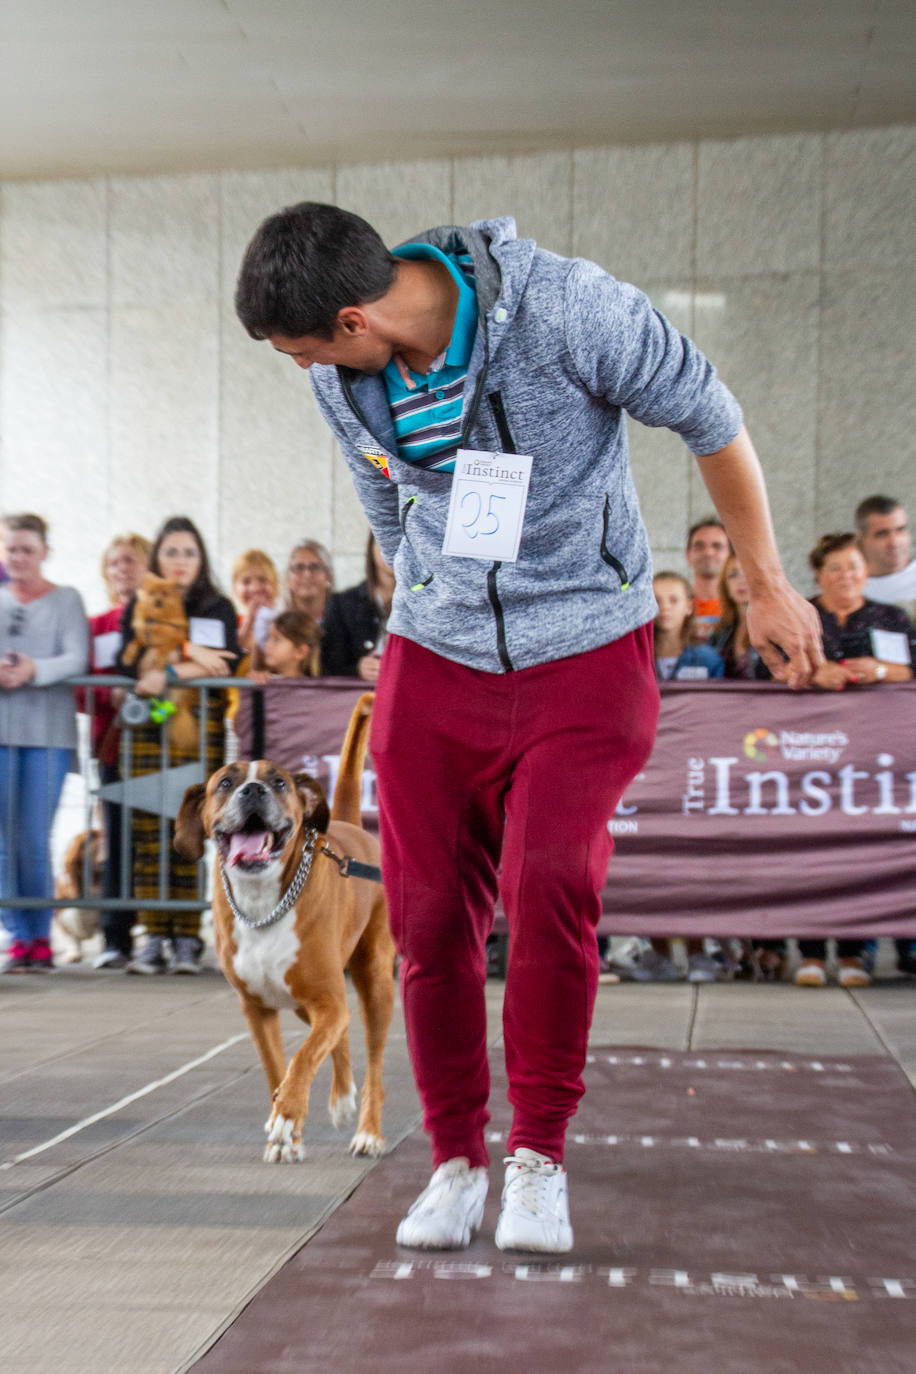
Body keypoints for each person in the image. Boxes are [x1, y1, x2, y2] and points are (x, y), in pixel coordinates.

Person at [235, 201, 822, 1254]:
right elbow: (387, 498)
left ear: (358, 315)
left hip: (586, 647)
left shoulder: (567, 309)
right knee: (421, 917)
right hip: (439, 657)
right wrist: (419, 596)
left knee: (549, 881)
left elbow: (711, 416)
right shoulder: (341, 379)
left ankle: (538, 1158)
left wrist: (765, 582)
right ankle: (456, 1160)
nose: (302, 370)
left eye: (303, 347)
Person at [788, 532, 913, 988]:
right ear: (818, 573)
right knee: (809, 854)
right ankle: (812, 954)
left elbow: (911, 667)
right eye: (835, 568)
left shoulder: (891, 617)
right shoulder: (802, 615)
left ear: (867, 570)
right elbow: (763, 666)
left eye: (855, 566)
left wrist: (880, 671)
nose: (847, 576)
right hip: (806, 755)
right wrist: (811, 672)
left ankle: (856, 954)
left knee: (859, 852)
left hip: (870, 760)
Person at [117, 517, 239, 975]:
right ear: (157, 559)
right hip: (150, 725)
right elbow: (126, 662)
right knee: (148, 828)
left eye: (189, 552)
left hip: (198, 727)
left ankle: (187, 936)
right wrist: (188, 658)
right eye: (171, 552)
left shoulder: (217, 606)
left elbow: (224, 662)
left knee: (191, 824)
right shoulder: (141, 602)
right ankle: (151, 935)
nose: (180, 561)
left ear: (201, 559)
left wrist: (168, 672)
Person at [0, 514, 89, 972]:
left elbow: (77, 655)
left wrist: (34, 669)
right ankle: (17, 934)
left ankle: (40, 934)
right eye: (11, 548)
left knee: (33, 838)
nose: (18, 558)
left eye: (26, 550)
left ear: (43, 552)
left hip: (46, 737)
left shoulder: (66, 600)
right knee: (2, 840)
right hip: (2, 733)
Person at [87, 533, 152, 969]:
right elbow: (82, 687)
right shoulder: (98, 625)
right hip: (111, 746)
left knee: (152, 841)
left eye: (130, 561)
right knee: (117, 839)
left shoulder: (158, 620)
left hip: (154, 746)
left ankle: (157, 930)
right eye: (114, 563)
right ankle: (115, 936)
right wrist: (103, 692)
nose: (121, 569)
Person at [322, 534, 395, 681]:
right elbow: (327, 665)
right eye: (384, 541)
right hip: (356, 699)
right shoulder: (342, 604)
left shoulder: (426, 601)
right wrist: (358, 670)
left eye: (400, 542)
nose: (392, 549)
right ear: (371, 550)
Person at [652, 571, 724, 681]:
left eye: (674, 600)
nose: (665, 607)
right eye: (656, 600)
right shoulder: (635, 659)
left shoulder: (709, 659)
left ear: (689, 606)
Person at [856, 494, 916, 623]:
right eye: (882, 534)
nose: (894, 543)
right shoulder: (850, 588)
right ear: (861, 540)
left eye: (900, 530)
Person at [685, 517, 731, 642]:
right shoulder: (674, 605)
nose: (708, 552)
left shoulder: (742, 608)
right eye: (699, 546)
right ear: (687, 554)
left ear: (730, 554)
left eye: (717, 546)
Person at [231, 548, 279, 660]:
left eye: (263, 580)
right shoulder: (232, 622)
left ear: (275, 583)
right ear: (234, 588)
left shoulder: (286, 621)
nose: (254, 588)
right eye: (246, 581)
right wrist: (249, 621)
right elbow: (233, 654)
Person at [284, 538, 334, 628]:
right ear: (288, 578)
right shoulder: (279, 625)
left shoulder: (343, 622)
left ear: (328, 576)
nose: (307, 574)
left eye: (314, 567)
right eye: (299, 567)